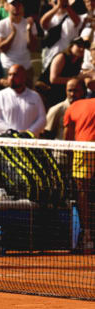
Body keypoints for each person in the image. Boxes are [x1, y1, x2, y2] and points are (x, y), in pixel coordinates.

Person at [64, 95, 95, 254]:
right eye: (69, 90)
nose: (71, 93)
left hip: (84, 149)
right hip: (83, 149)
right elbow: (68, 135)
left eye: (74, 90)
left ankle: (87, 236)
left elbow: (67, 135)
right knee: (83, 189)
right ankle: (87, 235)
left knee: (83, 189)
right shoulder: (73, 108)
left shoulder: (74, 106)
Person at [0, 64, 46, 136]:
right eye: (9, 75)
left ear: (24, 78)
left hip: (28, 143)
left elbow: (42, 119)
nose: (11, 78)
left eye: (15, 75)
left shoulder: (35, 96)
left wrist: (29, 133)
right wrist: (13, 133)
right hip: (5, 143)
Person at [0, 0, 37, 85]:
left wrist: (29, 31)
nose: (16, 7)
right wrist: (13, 34)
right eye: (13, 4)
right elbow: (1, 48)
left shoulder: (29, 23)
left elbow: (33, 48)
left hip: (26, 68)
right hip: (8, 68)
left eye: (19, 4)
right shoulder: (1, 25)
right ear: (7, 7)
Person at [39, 37, 93, 108]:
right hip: (47, 91)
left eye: (83, 47)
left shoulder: (78, 60)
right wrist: (75, 79)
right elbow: (53, 79)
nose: (82, 49)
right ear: (71, 46)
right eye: (79, 46)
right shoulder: (62, 57)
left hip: (61, 91)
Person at [40, 0, 81, 69]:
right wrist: (57, 6)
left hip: (68, 61)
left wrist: (66, 6)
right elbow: (43, 23)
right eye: (55, 0)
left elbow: (77, 21)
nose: (59, 1)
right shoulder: (50, 17)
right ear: (50, 2)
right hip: (50, 60)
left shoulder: (72, 16)